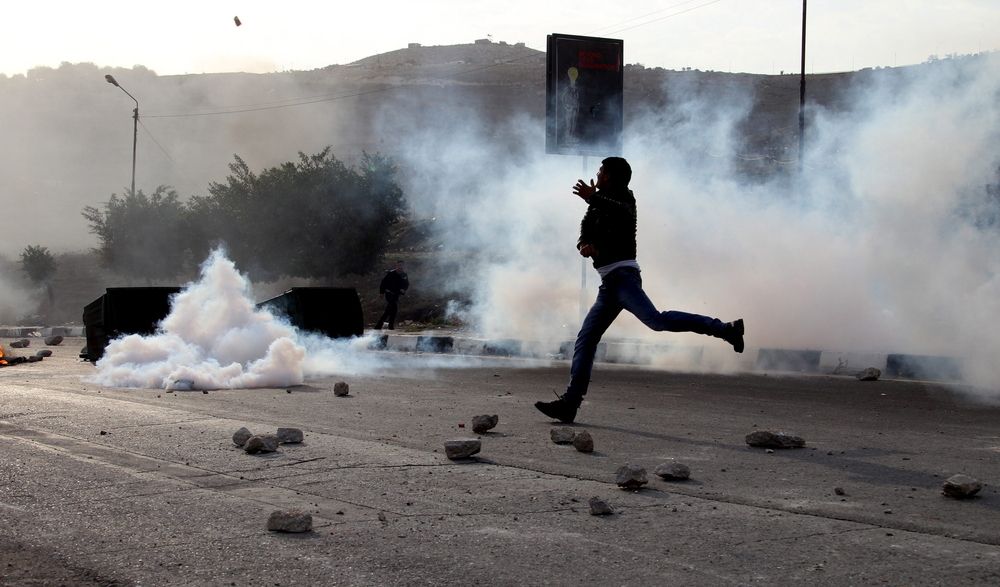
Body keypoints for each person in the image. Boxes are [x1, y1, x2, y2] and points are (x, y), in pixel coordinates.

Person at [535, 157, 744, 424]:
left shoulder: (625, 199)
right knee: (586, 340)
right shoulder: (597, 205)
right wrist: (585, 246)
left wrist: (592, 198)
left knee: (656, 321)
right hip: (609, 284)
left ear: (609, 176)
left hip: (624, 278)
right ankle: (570, 404)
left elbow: (619, 212)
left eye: (601, 171)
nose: (597, 174)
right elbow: (584, 232)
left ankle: (726, 329)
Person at [376, 260, 408, 330]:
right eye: (399, 265)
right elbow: (383, 283)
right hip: (389, 293)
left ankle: (379, 325)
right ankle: (389, 326)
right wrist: (381, 293)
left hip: (396, 294)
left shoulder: (404, 274)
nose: (400, 267)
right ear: (396, 266)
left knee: (390, 310)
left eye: (402, 265)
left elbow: (406, 284)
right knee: (394, 308)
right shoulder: (391, 273)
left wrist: (404, 289)